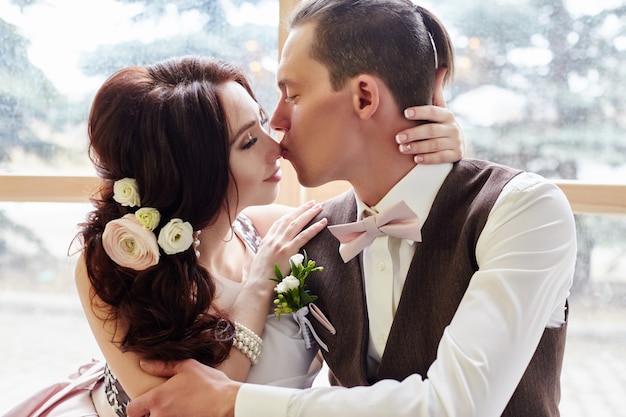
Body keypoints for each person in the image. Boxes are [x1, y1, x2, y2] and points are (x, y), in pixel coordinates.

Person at [125, 1, 577, 417]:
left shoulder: (523, 210)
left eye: (292, 94)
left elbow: (456, 407)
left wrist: (231, 400)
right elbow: (264, 379)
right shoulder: (311, 235)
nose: (277, 123)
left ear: (364, 97)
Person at [4, 51, 464, 417]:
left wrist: (433, 151)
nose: (277, 145)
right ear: (195, 173)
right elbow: (189, 412)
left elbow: (384, 207)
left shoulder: (278, 231)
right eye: (248, 141)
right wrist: (262, 281)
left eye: (263, 122)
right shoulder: (113, 262)